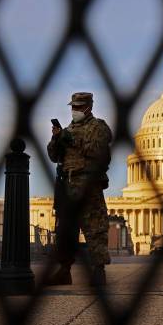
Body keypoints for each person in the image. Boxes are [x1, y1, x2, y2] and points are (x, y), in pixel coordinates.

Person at [46, 92, 112, 286]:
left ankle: (99, 271)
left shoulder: (98, 127)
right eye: (72, 107)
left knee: (95, 228)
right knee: (65, 230)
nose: (74, 110)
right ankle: (64, 270)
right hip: (67, 184)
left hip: (88, 185)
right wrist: (57, 139)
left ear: (88, 107)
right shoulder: (68, 128)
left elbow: (100, 152)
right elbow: (53, 156)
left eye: (78, 107)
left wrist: (72, 140)